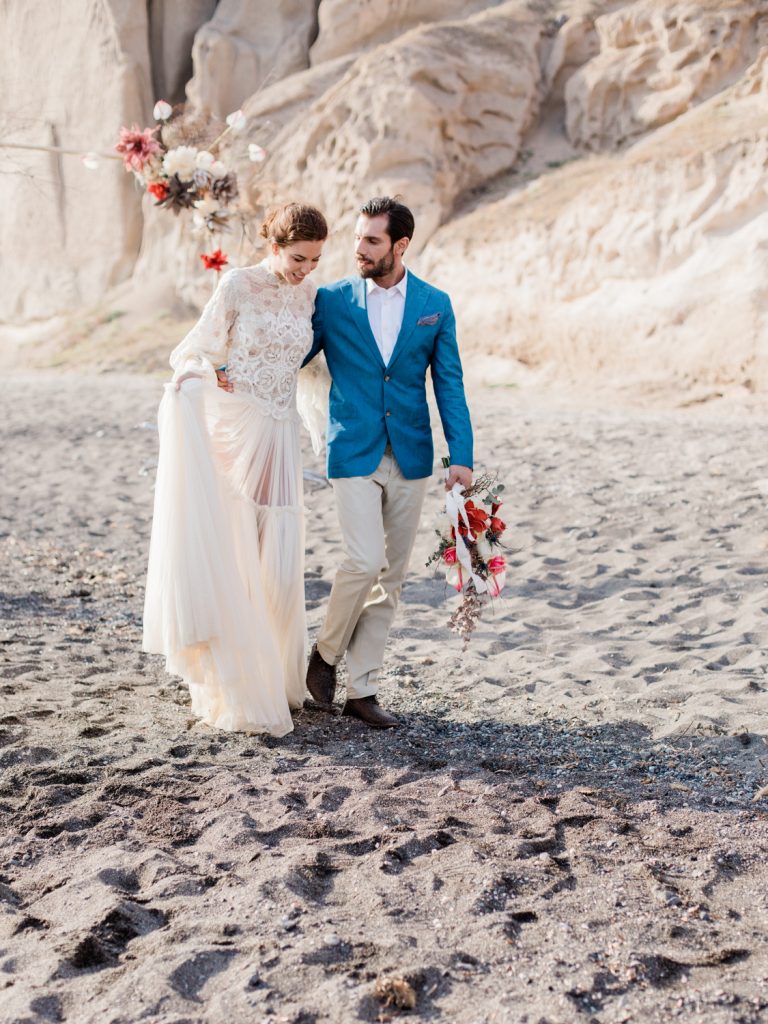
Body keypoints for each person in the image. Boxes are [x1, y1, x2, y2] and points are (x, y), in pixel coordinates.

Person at [142, 202, 328, 736]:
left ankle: (278, 673)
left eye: (314, 259)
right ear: (274, 245)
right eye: (297, 258)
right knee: (240, 545)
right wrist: (207, 372)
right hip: (238, 424)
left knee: (279, 552)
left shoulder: (311, 294)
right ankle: (239, 681)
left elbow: (309, 360)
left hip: (280, 429)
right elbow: (194, 349)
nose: (304, 269)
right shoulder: (238, 285)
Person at [303, 196, 473, 729]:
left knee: (391, 577)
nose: (360, 249)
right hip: (352, 448)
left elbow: (449, 382)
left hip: (411, 454)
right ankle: (325, 657)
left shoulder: (434, 303)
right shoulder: (330, 301)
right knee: (362, 560)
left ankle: (363, 689)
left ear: (400, 245)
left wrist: (461, 455)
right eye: (357, 238)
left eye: (372, 240)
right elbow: (290, 355)